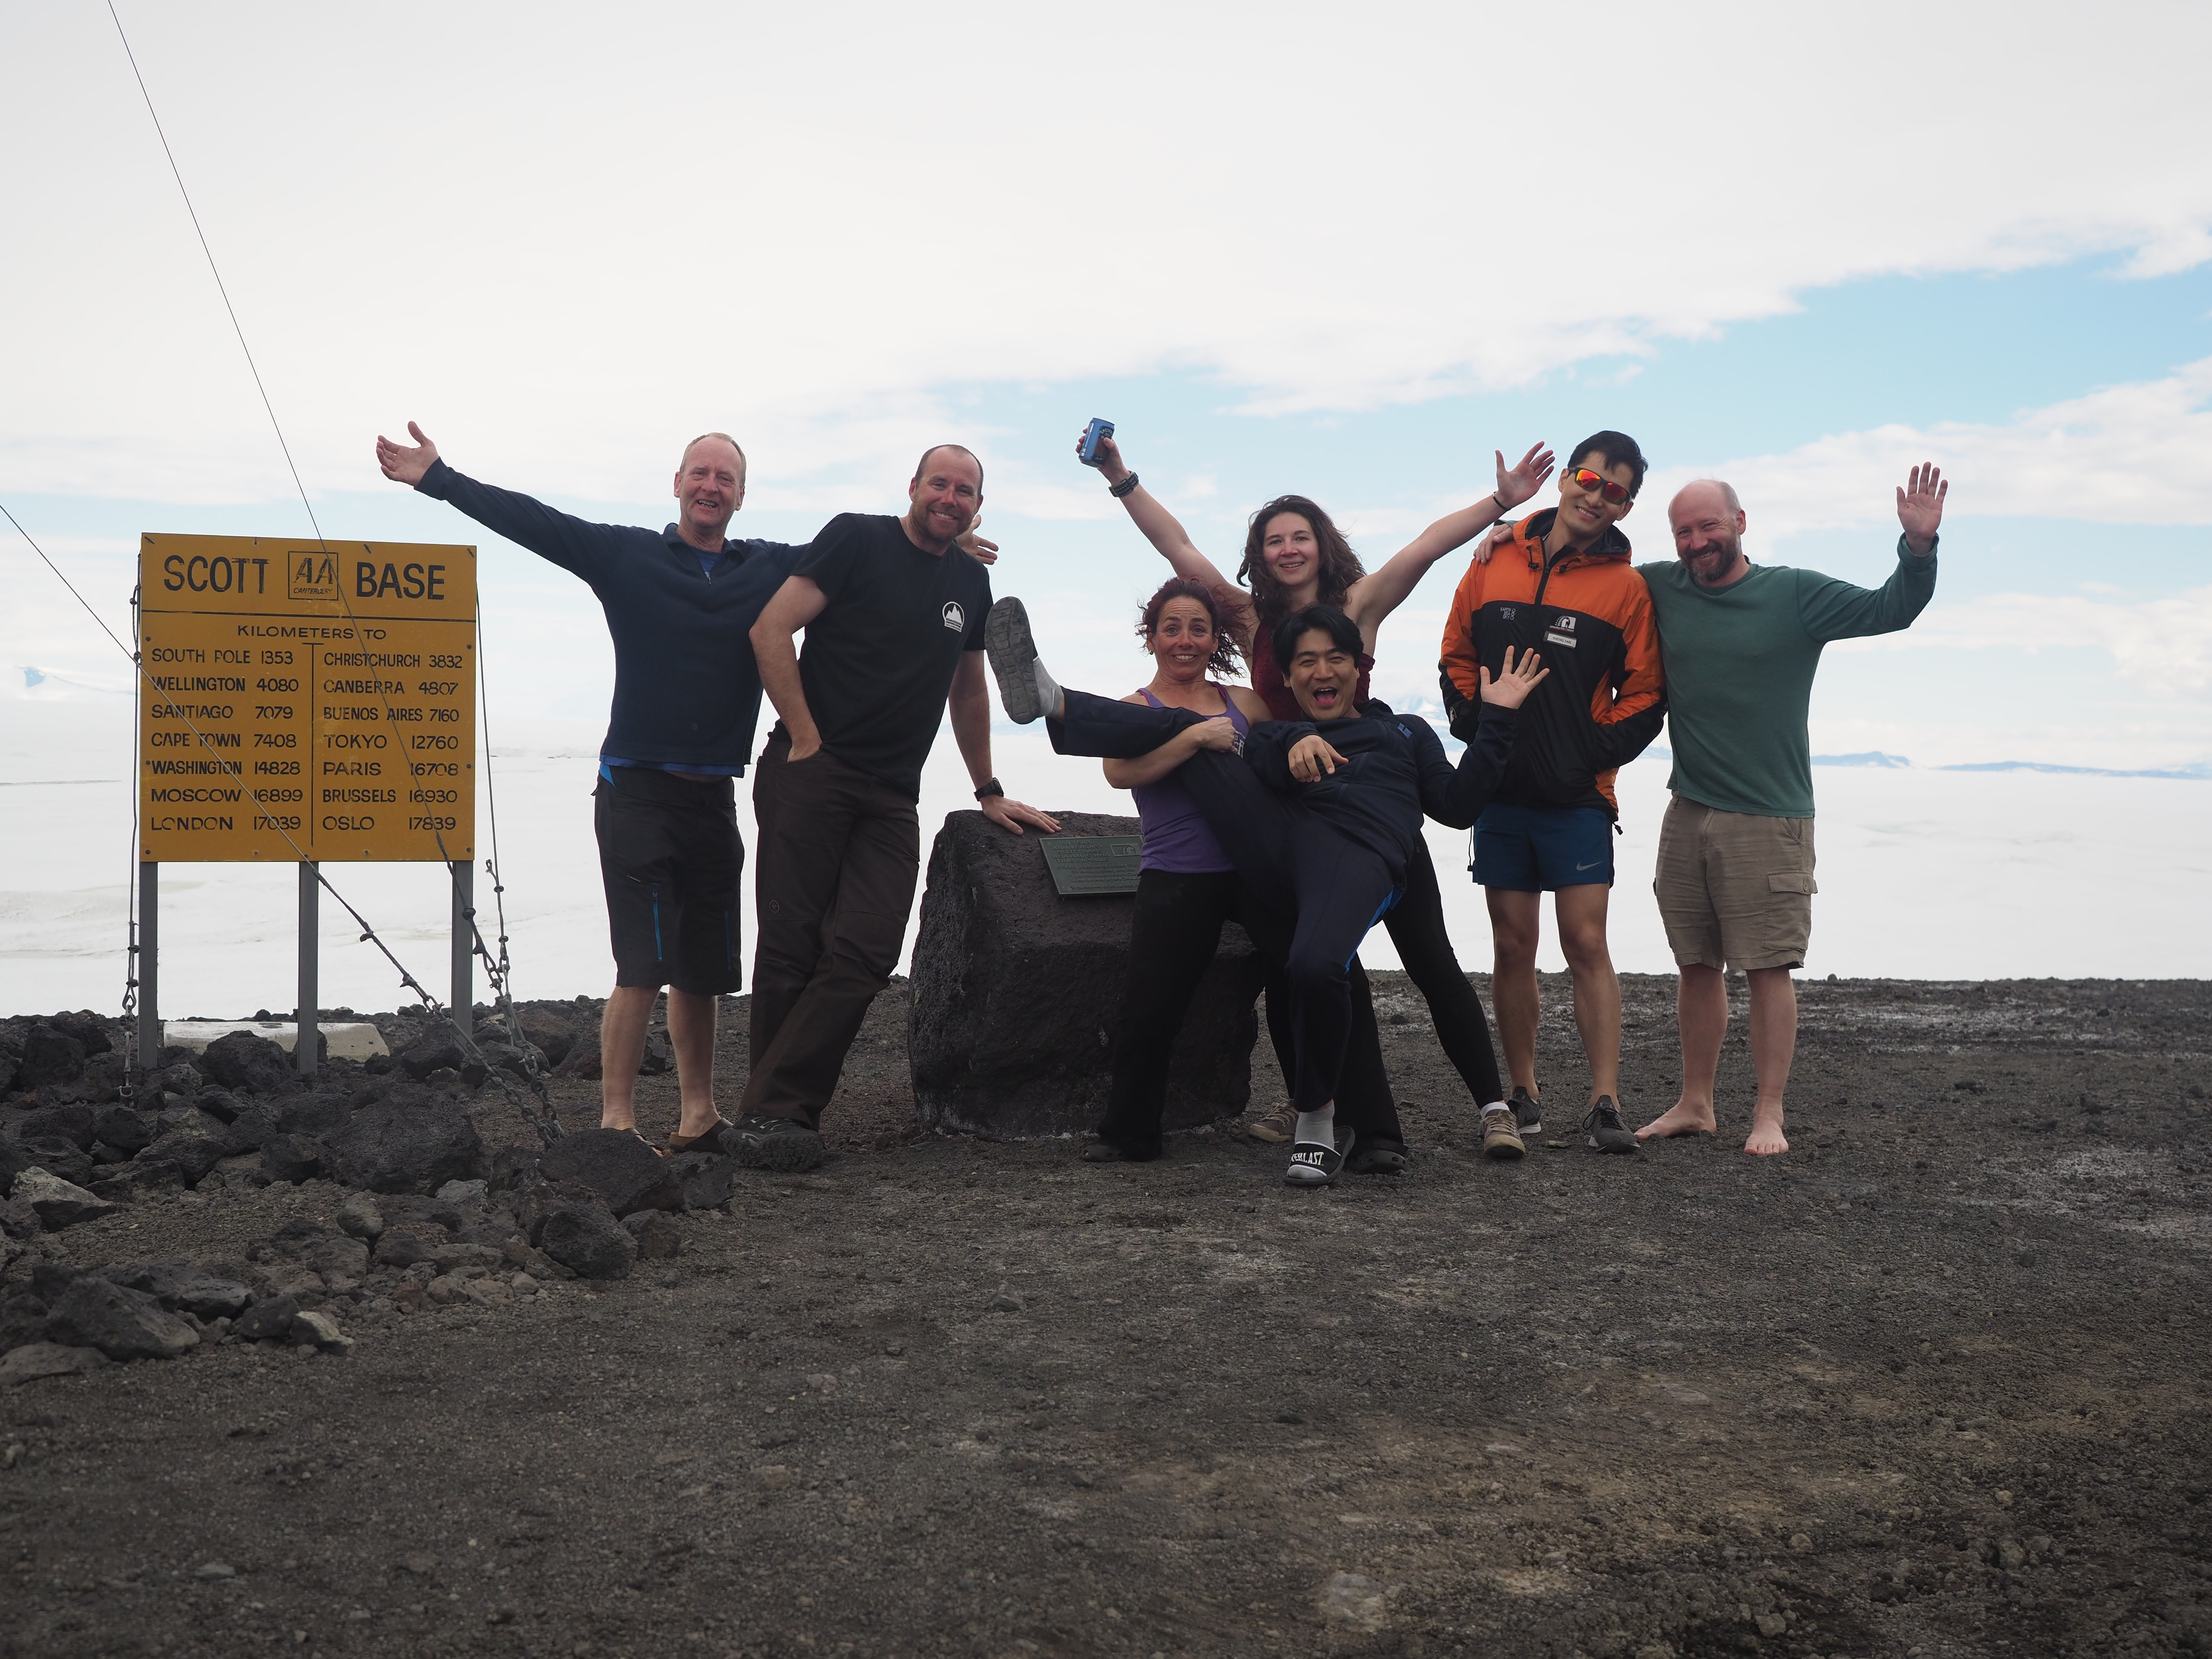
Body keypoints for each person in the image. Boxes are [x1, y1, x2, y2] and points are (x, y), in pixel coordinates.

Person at [373, 423, 871, 1158]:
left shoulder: (768, 567)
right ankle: (616, 1123)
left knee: (702, 974)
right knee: (642, 968)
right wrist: (440, 479)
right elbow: (536, 523)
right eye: (699, 473)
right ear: (677, 484)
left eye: (725, 478)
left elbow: (862, 558)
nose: (710, 486)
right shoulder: (628, 555)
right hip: (635, 794)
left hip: (714, 799)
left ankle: (698, 1115)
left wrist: (940, 541)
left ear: (741, 496)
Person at [1080, 427, 1550, 1157]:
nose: (1288, 549)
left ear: (1322, 546)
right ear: (1260, 555)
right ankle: (1317, 1101)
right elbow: (1177, 548)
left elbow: (1425, 548)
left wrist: (1499, 503)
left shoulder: (1358, 605)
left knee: (1432, 964)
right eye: (1274, 541)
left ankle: (1494, 1108)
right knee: (1300, 963)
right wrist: (1120, 476)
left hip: (1373, 807)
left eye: (1300, 537)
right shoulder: (1250, 619)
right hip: (1294, 806)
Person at [990, 596, 1544, 1185]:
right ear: (1286, 676)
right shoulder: (1276, 732)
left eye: (1336, 658)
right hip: (1255, 859)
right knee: (1201, 737)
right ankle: (1054, 700)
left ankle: (1382, 1128)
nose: (1322, 671)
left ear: (1359, 666)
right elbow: (1223, 764)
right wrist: (1280, 743)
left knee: (1332, 972)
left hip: (1340, 860)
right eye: (1306, 661)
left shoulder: (1400, 730)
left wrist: (1498, 719)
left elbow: (1457, 806)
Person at [742, 445, 1057, 1170]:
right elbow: (770, 628)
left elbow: (968, 689)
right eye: (939, 484)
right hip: (811, 771)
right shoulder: (856, 538)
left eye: (965, 491)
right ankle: (780, 1118)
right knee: (791, 944)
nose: (950, 497)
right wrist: (805, 735)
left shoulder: (970, 582)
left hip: (891, 794)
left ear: (979, 507)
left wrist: (987, 789)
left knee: (868, 948)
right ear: (913, 487)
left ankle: (768, 1107)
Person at [1633, 467, 1946, 1155]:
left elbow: (1891, 608)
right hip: (1686, 810)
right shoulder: (1658, 586)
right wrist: (1510, 534)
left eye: (1709, 526)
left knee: (1767, 968)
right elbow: (1586, 571)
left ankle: (1768, 1112)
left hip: (1768, 817)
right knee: (1695, 964)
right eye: (1683, 531)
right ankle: (1696, 1103)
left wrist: (1919, 547)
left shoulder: (1795, 594)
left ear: (1741, 523)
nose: (1697, 541)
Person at [1089, 577, 1403, 1167]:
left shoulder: (1246, 703)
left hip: (1259, 867)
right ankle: (1129, 1133)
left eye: (1198, 629)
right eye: (1172, 629)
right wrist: (1193, 740)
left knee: (1330, 977)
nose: (1185, 640)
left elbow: (1284, 755)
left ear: (1216, 640)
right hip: (1178, 872)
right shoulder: (1134, 709)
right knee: (1150, 1005)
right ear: (1151, 637)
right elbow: (1118, 774)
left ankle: (1370, 1132)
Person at [1437, 431, 1667, 1155]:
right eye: (1589, 480)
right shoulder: (1495, 558)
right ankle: (1523, 1091)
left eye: (1615, 492)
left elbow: (1647, 696)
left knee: (1587, 942)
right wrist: (1478, 727)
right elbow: (1456, 654)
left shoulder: (1626, 589)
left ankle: (1605, 1101)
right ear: (1567, 478)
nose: (1597, 498)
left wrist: (1586, 754)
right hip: (1500, 792)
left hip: (1576, 799)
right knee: (1512, 945)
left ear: (1627, 507)